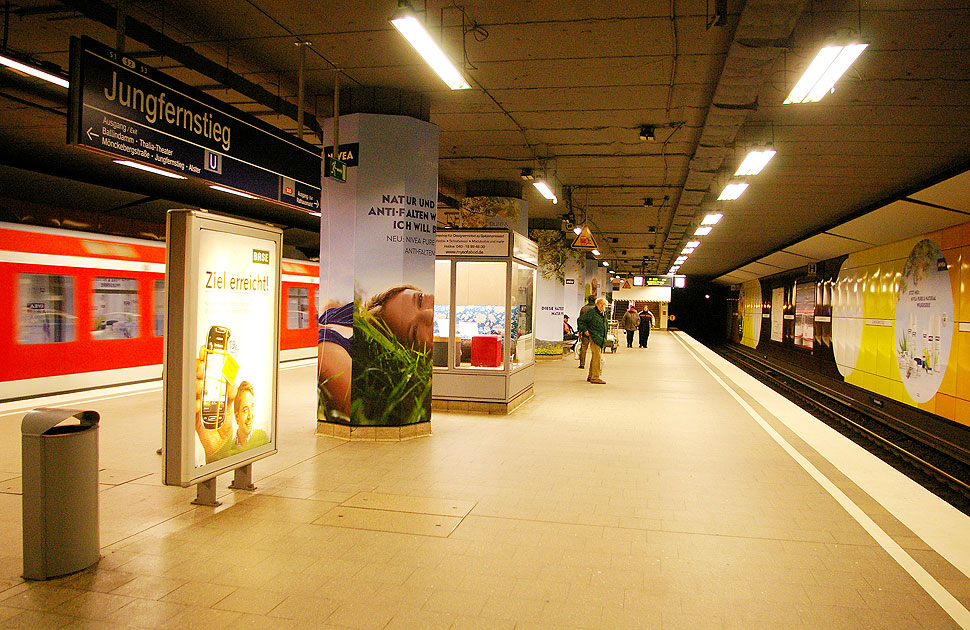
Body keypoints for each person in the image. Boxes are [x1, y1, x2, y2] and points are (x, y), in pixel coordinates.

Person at [318, 285, 434, 418]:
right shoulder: (328, 347)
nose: (430, 314)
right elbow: (355, 408)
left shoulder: (338, 317)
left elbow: (328, 304)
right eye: (414, 331)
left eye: (420, 299)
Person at [209, 381, 269, 461]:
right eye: (245, 410)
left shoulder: (262, 437)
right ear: (237, 416)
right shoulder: (229, 447)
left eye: (252, 407)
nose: (250, 416)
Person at [577, 296, 608, 384]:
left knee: (595, 357)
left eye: (604, 305)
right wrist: (585, 330)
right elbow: (580, 320)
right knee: (597, 357)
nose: (602, 307)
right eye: (601, 305)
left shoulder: (602, 313)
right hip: (594, 336)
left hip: (600, 337)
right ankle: (595, 377)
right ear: (597, 304)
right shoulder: (592, 312)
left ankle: (591, 376)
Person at [577, 295, 596, 369]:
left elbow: (580, 320)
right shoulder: (596, 309)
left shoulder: (584, 308)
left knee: (584, 347)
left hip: (585, 331)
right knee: (595, 349)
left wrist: (581, 330)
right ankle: (594, 364)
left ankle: (582, 364)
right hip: (594, 332)